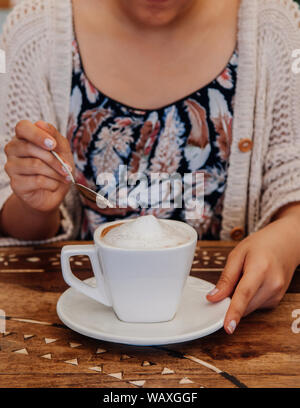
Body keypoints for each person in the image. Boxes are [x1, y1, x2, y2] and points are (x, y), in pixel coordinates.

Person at [1, 0, 300, 334]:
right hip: (88, 323)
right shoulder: (36, 30)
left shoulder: (272, 24)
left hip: (227, 330)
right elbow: (15, 219)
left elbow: (291, 179)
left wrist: (288, 238)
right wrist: (35, 203)